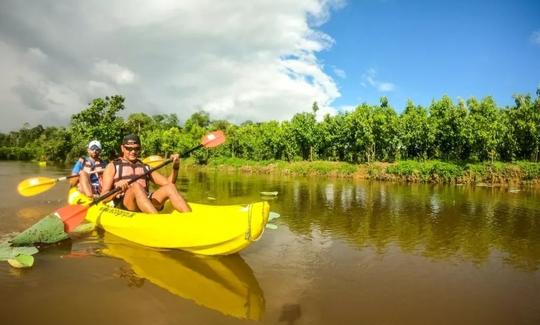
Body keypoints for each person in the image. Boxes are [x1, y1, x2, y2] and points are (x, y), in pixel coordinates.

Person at [100, 134, 191, 213]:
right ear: (122, 148)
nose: (133, 152)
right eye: (129, 148)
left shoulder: (145, 167)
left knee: (170, 187)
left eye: (137, 149)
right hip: (126, 205)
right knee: (136, 186)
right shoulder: (112, 166)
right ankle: (157, 221)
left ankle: (190, 218)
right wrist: (118, 190)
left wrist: (175, 167)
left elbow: (169, 183)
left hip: (146, 201)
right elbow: (103, 198)